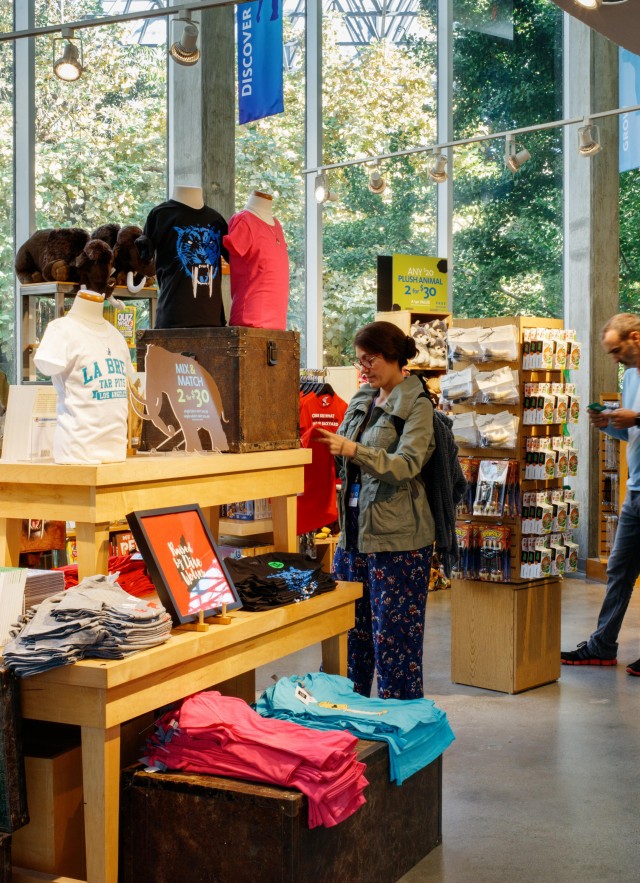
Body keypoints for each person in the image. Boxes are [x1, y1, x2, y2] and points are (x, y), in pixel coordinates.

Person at [317, 321, 435, 699]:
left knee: (395, 646)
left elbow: (406, 465)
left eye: (369, 360)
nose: (363, 369)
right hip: (353, 536)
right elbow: (345, 461)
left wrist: (354, 451)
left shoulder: (417, 405)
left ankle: (398, 728)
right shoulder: (361, 399)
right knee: (350, 637)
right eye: (359, 361)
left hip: (398, 543)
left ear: (391, 357)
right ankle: (346, 719)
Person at [561, 313, 640, 676]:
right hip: (635, 492)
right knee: (618, 569)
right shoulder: (631, 376)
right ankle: (601, 645)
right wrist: (610, 425)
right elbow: (631, 434)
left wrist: (636, 418)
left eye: (616, 350)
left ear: (635, 337)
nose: (614, 359)